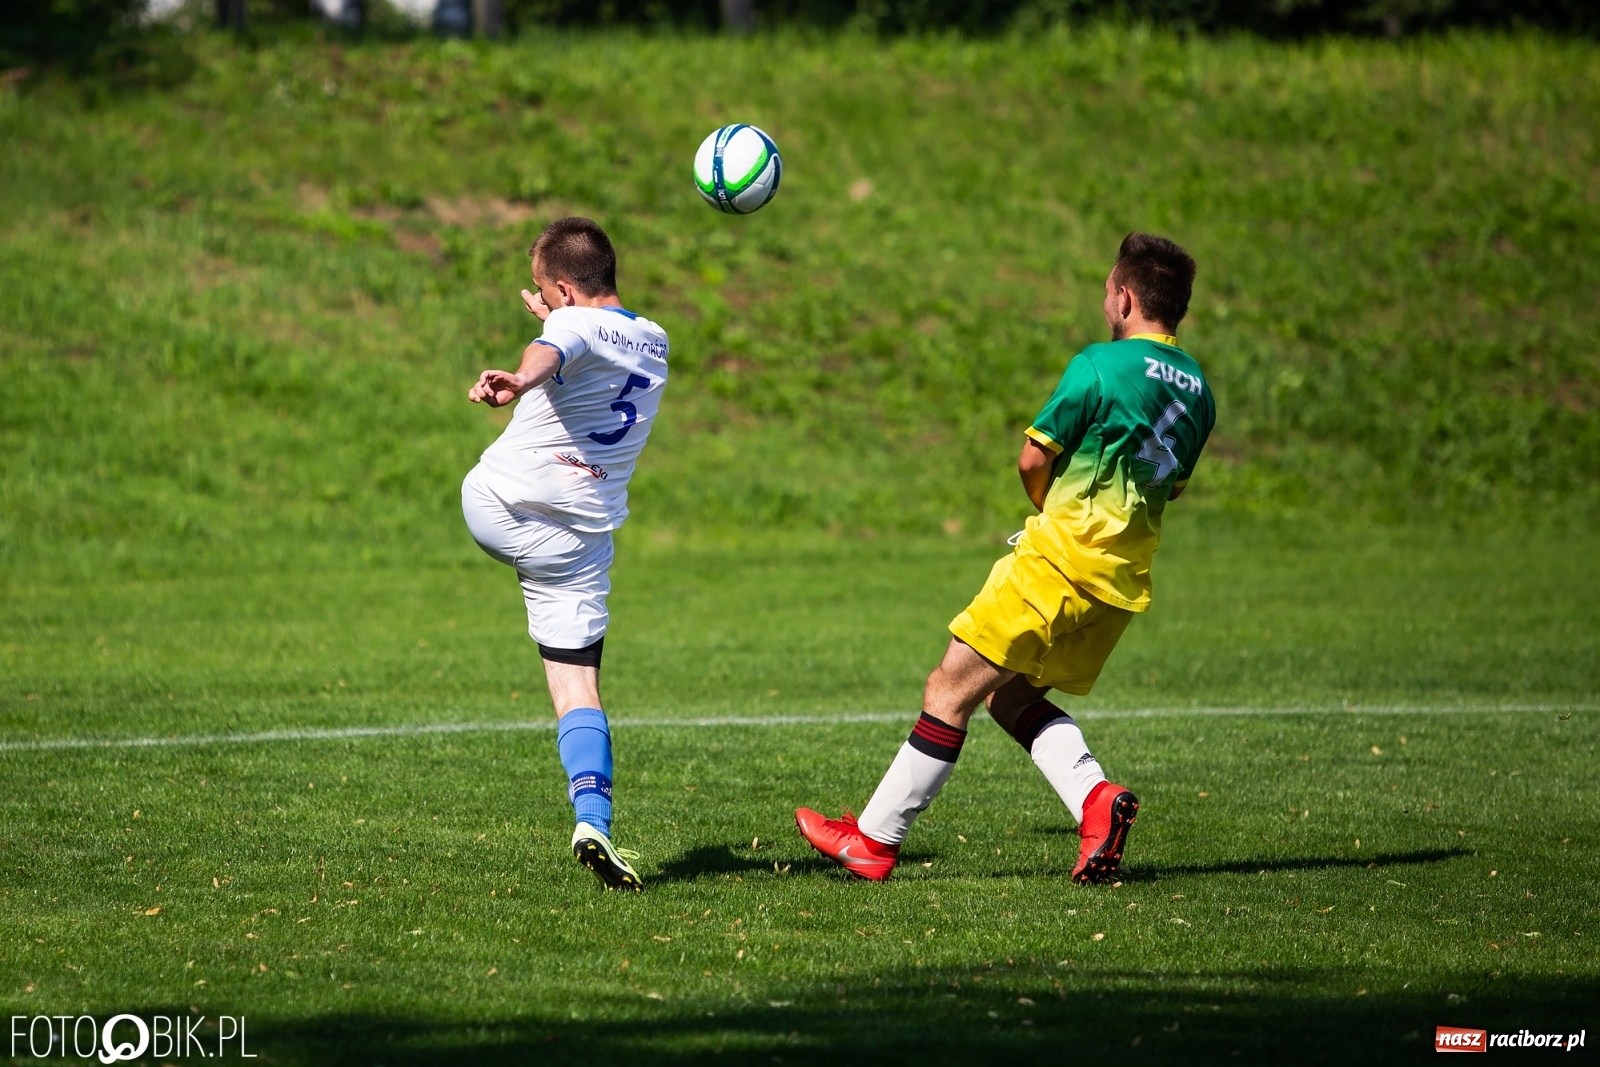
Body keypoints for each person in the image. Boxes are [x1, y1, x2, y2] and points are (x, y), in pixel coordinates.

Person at [796, 233, 1214, 884]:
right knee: (1011, 698)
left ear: (1125, 295)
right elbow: (1170, 486)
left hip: (1056, 566)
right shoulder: (1198, 393)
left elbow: (1032, 457)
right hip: (1118, 587)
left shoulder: (1101, 365)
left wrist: (1051, 511)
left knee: (949, 688)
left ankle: (874, 842)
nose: (1104, 297)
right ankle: (1096, 801)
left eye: (1108, 287)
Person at [462, 217, 668, 892]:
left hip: (499, 504)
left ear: (557, 287)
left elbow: (551, 351)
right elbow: (581, 338)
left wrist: (520, 379)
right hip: (579, 542)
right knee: (579, 683)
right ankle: (593, 817)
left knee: (571, 678)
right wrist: (558, 318)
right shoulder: (656, 341)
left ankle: (594, 823)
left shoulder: (567, 330)